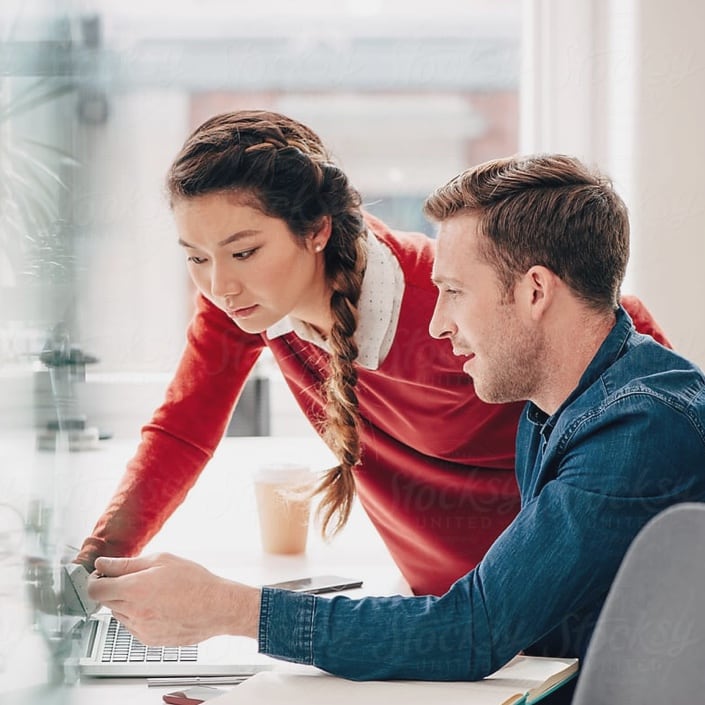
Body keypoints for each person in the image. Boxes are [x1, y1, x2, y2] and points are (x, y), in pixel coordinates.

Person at [87, 153, 705, 686]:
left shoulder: (633, 427)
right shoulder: (553, 402)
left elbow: (474, 630)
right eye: (197, 257)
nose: (440, 323)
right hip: (526, 652)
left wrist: (228, 609)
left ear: (536, 293)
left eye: (455, 292)